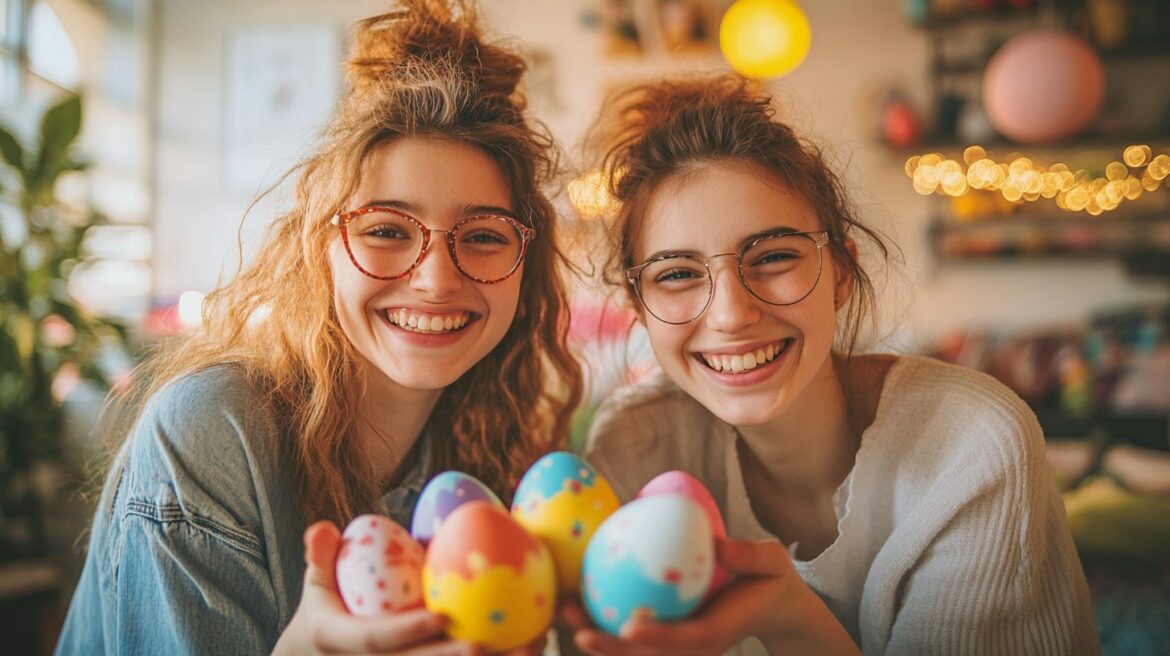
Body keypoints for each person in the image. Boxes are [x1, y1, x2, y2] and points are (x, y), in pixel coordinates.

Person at [55, 1, 582, 654]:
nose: (438, 279)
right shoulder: (213, 432)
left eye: (482, 236)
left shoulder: (486, 442)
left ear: (525, 266)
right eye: (387, 231)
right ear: (318, 249)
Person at [571, 75, 1098, 655]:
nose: (730, 315)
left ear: (842, 272)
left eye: (772, 257)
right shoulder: (637, 444)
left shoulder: (973, 446)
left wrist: (789, 618)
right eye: (675, 273)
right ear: (636, 308)